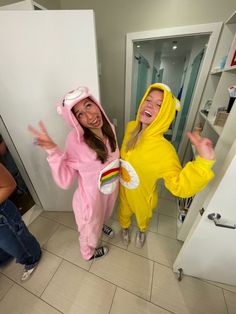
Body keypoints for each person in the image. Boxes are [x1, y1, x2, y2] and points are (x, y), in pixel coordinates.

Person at [119, 83, 215, 248]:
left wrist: (203, 163)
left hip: (144, 196)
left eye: (159, 105)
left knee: (143, 217)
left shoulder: (165, 150)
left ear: (165, 115)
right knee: (124, 211)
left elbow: (180, 186)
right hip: (123, 189)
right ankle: (125, 228)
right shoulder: (130, 128)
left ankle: (142, 231)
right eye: (148, 100)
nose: (150, 104)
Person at [29, 86, 119, 261]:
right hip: (90, 202)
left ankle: (101, 225)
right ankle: (88, 253)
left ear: (95, 103)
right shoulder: (75, 142)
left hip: (108, 193)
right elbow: (65, 180)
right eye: (79, 114)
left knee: (104, 215)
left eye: (88, 105)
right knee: (88, 231)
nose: (90, 116)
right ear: (74, 120)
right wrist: (53, 151)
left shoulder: (111, 129)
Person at [0, 163, 41, 281]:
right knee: (7, 244)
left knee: (17, 238)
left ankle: (33, 258)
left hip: (3, 214)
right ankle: (9, 256)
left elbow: (9, 185)